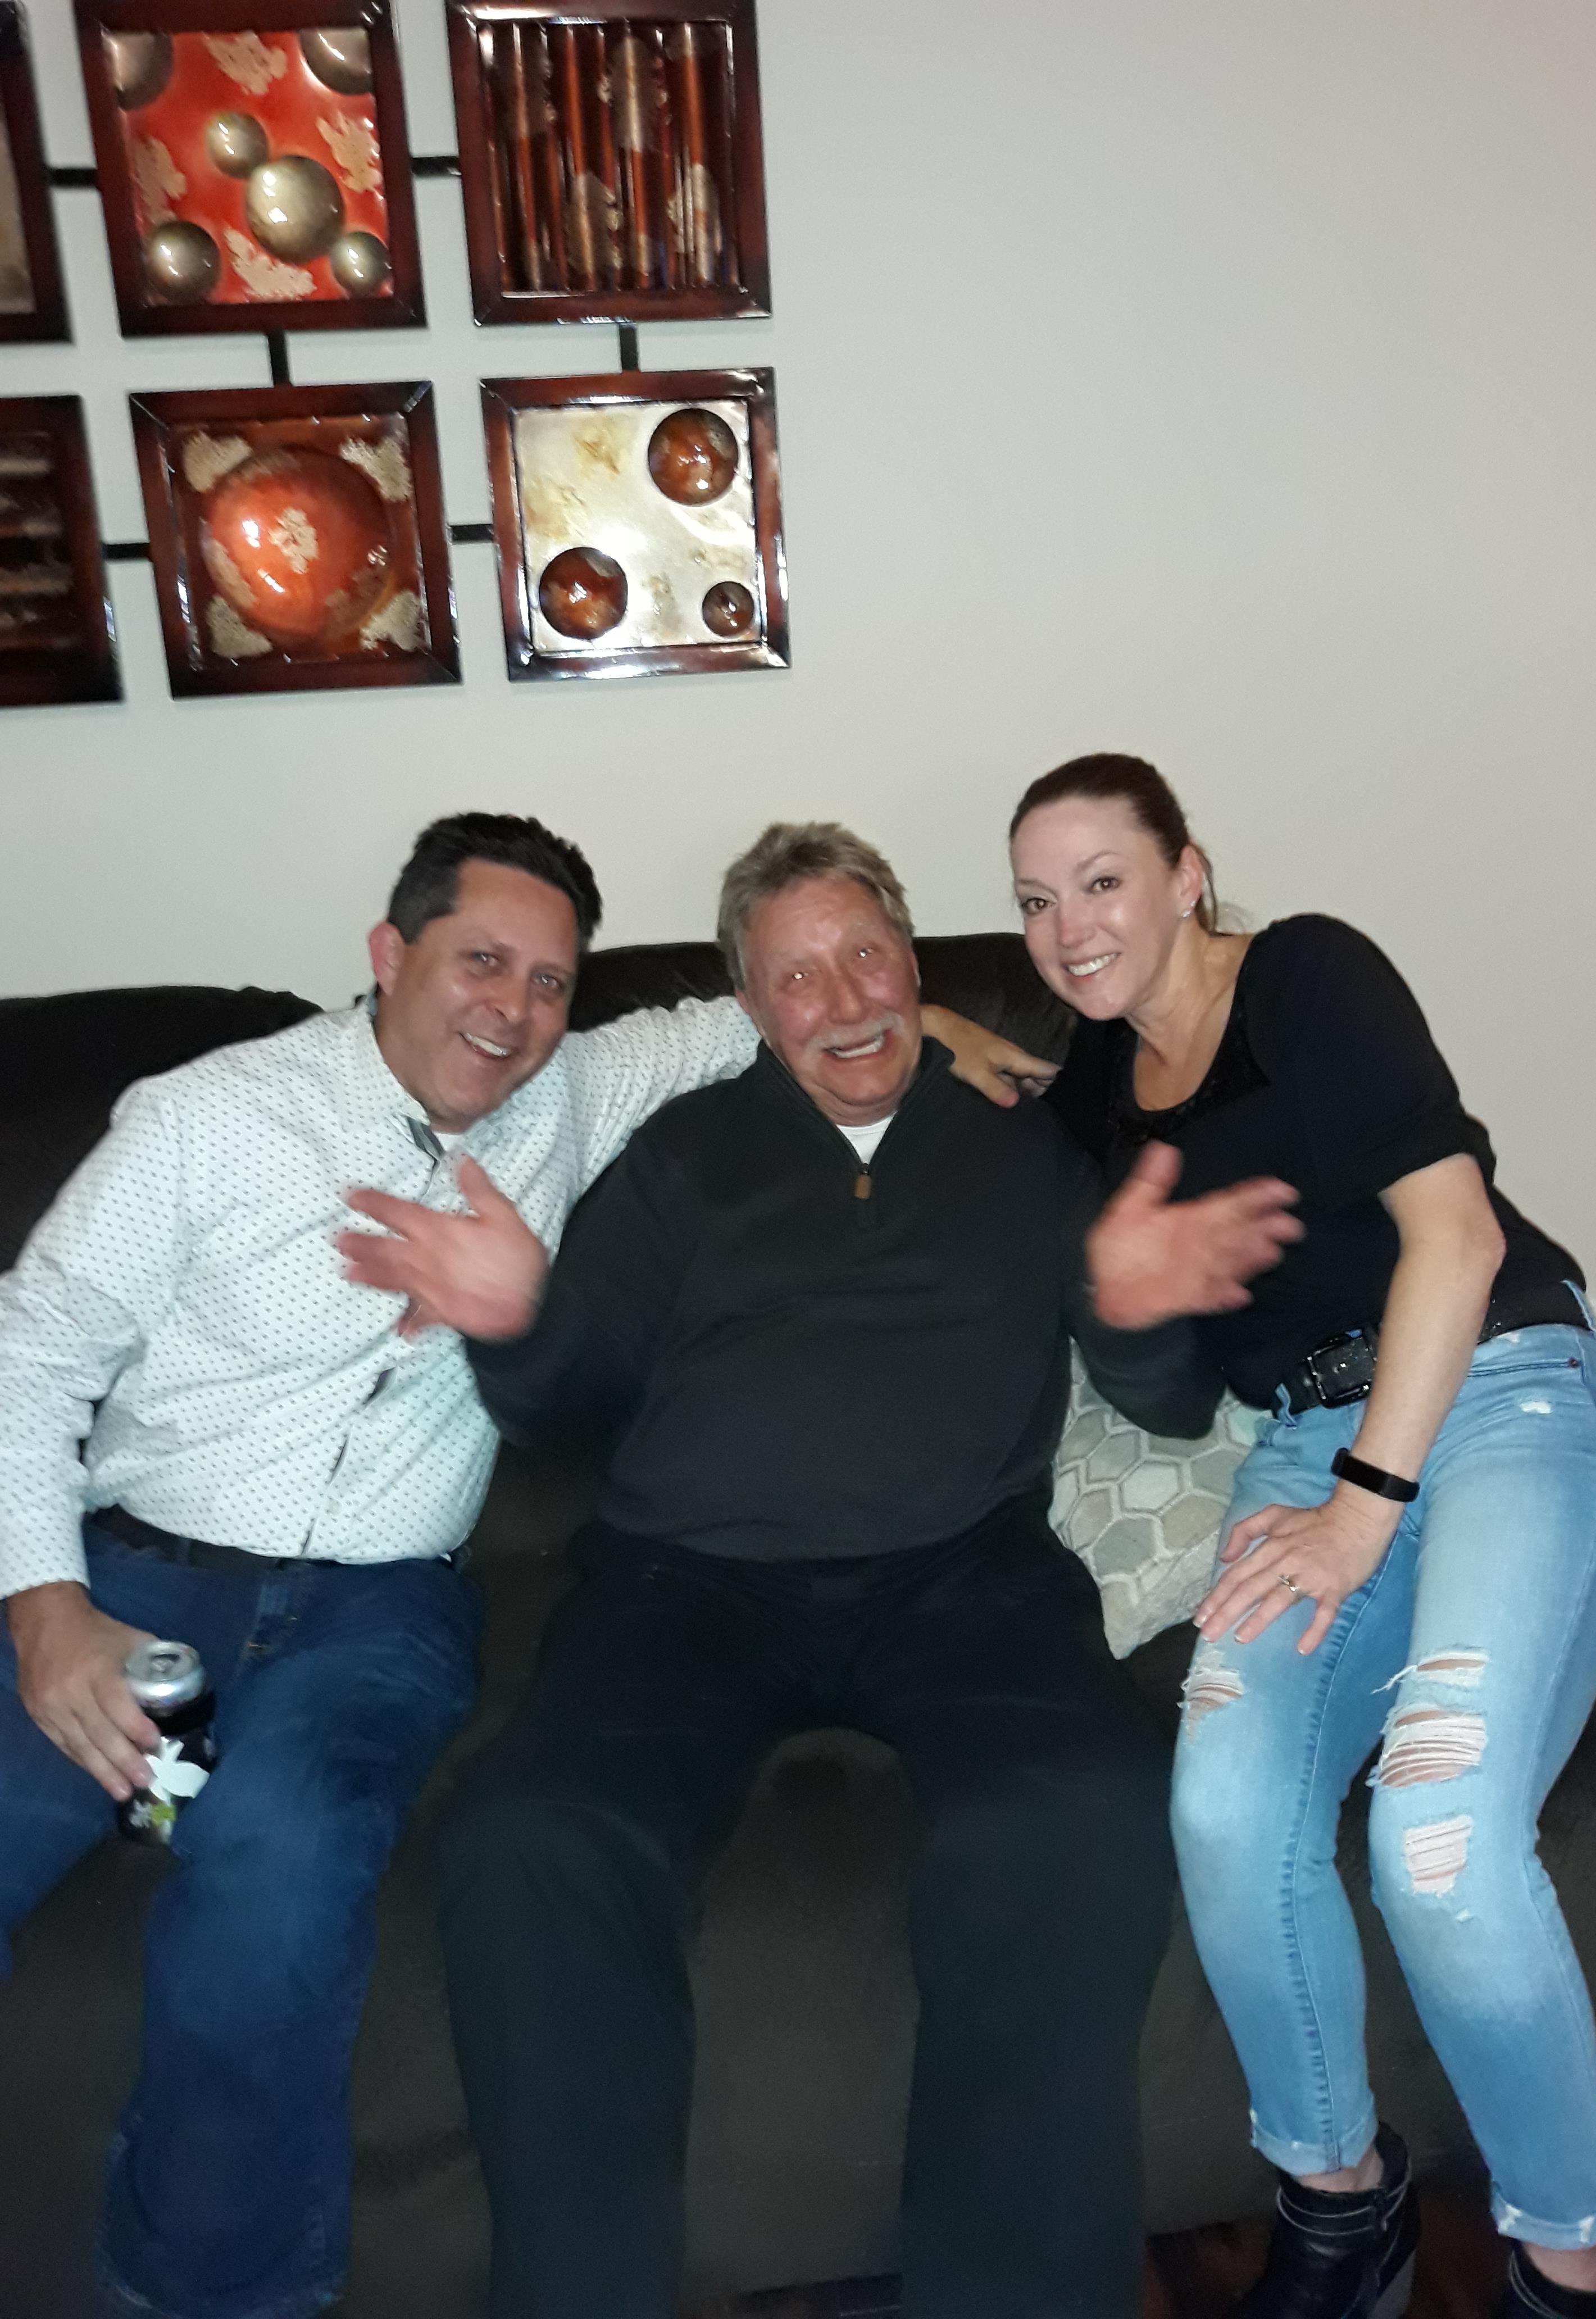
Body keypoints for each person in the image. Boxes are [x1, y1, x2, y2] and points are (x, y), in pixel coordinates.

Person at [0, 808, 1050, 2319]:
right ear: (389, 955)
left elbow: (730, 1018)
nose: (514, 1011)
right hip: (137, 1590)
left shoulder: (572, 1089)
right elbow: (31, 1352)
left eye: (553, 982)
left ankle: (199, 2302)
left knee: (273, 1865)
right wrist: (46, 1609)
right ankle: (147, 1774)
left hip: (375, 1616)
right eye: (481, 962)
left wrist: (937, 1007)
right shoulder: (207, 1117)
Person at [342, 820, 1301, 2319]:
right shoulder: (682, 1160)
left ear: (915, 964)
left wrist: (1132, 1320)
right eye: (797, 978)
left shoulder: (1035, 1143)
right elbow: (570, 1403)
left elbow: (1171, 1398)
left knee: (1084, 1808)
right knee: (533, 1842)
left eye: (869, 955)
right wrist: (516, 1326)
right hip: (685, 1587)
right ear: (749, 1006)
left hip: (964, 1578)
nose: (845, 999)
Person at [1008, 754, 1596, 2319]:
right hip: (1306, 1436)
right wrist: (1127, 1298)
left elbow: (1461, 1234)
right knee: (1227, 1802)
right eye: (1033, 901)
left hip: (1505, 1390)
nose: (1069, 926)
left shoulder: (1307, 975)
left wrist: (1363, 1517)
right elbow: (1159, 1391)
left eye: (1103, 880)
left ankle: (1575, 2264)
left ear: (1187, 872)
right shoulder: (1095, 1096)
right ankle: (1335, 2198)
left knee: (1436, 1843)